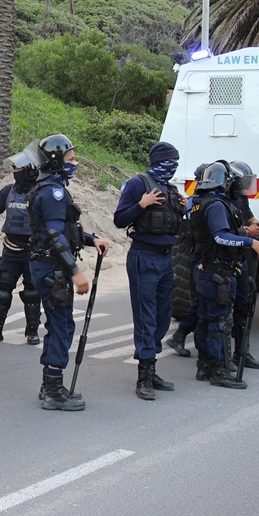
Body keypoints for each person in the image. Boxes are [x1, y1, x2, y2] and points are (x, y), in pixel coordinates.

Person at [28, 134, 110, 411]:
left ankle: (50, 385)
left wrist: (91, 239)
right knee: (61, 325)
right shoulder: (53, 192)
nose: (75, 164)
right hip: (54, 267)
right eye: (71, 159)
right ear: (55, 160)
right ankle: (53, 391)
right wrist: (75, 271)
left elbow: (63, 229)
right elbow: (53, 235)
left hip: (48, 263)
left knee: (58, 324)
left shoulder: (48, 187)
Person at [113, 142, 186, 400]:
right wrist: (142, 205)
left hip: (166, 259)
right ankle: (143, 376)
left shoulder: (172, 189)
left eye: (177, 162)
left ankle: (152, 367)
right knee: (146, 317)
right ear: (159, 161)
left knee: (163, 316)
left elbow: (173, 225)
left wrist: (183, 211)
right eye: (171, 161)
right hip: (144, 257)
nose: (174, 166)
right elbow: (120, 219)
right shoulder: (137, 185)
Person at [189, 161, 259, 389]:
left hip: (206, 269)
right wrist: (250, 241)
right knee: (220, 321)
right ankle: (219, 371)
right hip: (217, 271)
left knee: (206, 319)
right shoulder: (216, 205)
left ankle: (204, 366)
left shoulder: (199, 201)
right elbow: (221, 237)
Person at [0, 148, 43, 345]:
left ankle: (32, 331)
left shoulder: (40, 192)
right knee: (2, 292)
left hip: (32, 250)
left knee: (32, 291)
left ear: (29, 170)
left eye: (18, 167)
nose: (14, 171)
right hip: (10, 249)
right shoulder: (7, 191)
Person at [228, 160, 259, 371]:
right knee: (221, 307)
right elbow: (223, 232)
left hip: (242, 256)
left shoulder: (241, 198)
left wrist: (257, 227)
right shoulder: (222, 200)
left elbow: (250, 219)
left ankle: (242, 352)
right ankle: (217, 359)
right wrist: (248, 234)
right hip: (226, 257)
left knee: (245, 304)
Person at [166, 162, 210, 357]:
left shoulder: (195, 201)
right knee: (204, 302)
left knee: (202, 301)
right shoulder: (197, 202)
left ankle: (181, 335)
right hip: (203, 258)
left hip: (201, 257)